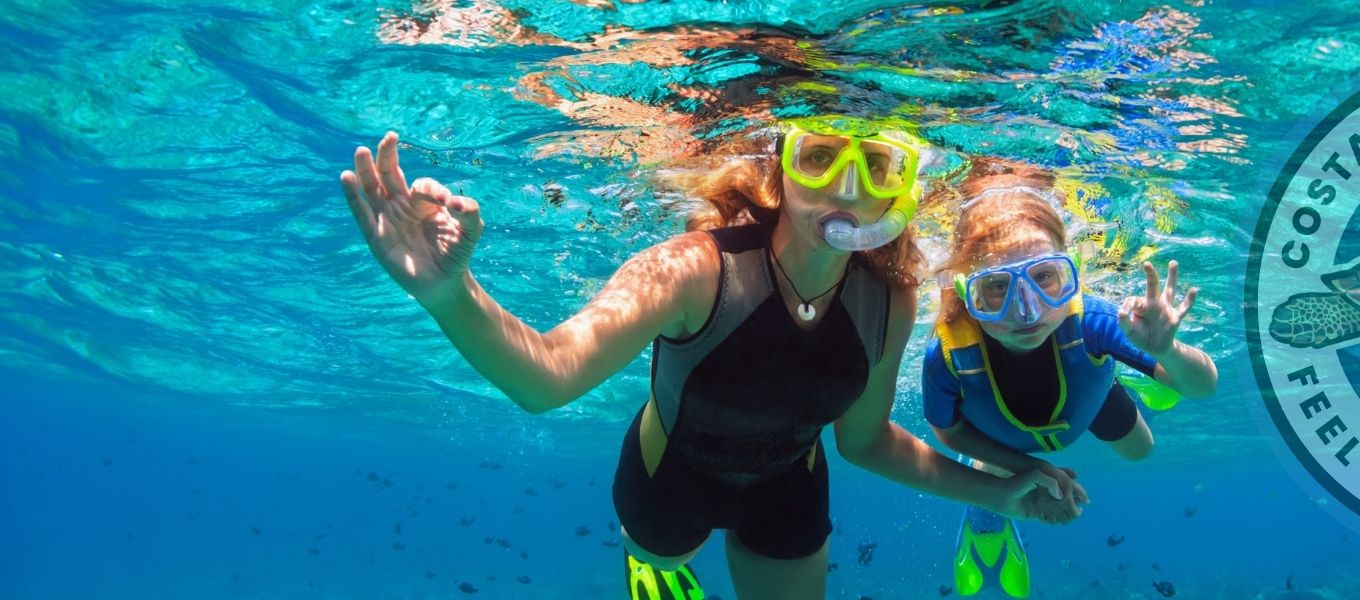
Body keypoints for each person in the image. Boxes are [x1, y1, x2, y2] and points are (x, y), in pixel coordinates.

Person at [335, 116, 1078, 600]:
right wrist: (448, 293)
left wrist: (998, 492)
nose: (846, 188)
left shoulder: (890, 299)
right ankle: (653, 568)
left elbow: (864, 441)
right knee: (661, 560)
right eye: (819, 158)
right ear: (780, 173)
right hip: (668, 483)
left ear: (902, 192)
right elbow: (547, 375)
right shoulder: (694, 270)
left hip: (790, 492)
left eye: (878, 167)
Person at [921, 160, 1219, 598]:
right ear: (967, 293)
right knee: (1000, 462)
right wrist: (1032, 469)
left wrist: (1166, 351)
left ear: (1072, 273)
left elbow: (1203, 387)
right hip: (999, 437)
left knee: (1140, 451)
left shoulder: (1095, 321)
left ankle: (1140, 372)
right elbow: (947, 432)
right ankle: (987, 511)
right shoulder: (947, 354)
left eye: (1045, 279)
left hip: (1088, 395)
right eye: (997, 288)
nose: (1027, 311)